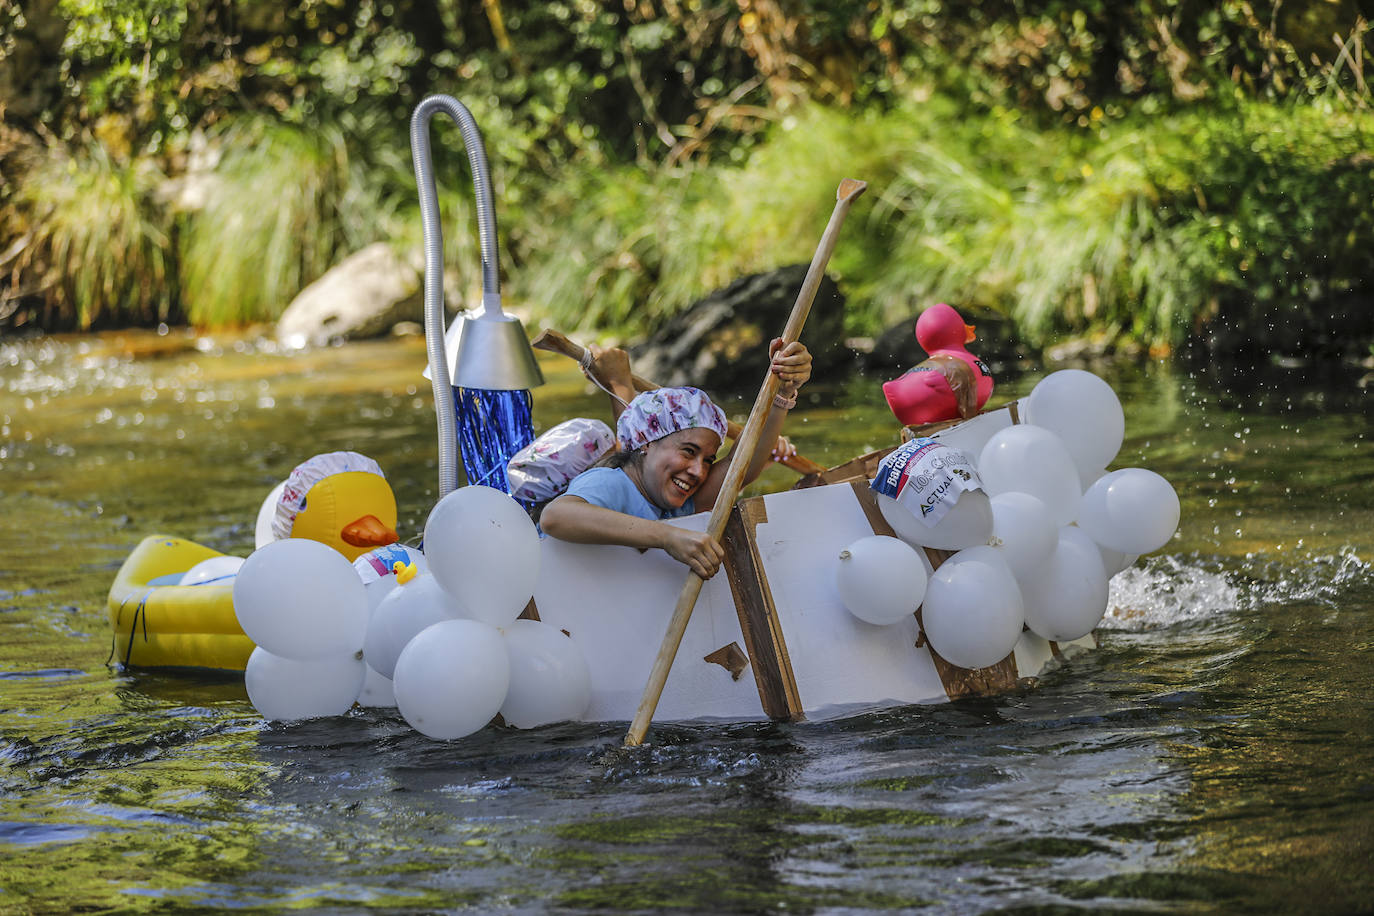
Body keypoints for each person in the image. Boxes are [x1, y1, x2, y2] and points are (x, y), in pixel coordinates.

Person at [539, 338, 812, 580]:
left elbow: (741, 466)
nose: (698, 471)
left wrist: (782, 391)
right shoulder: (611, 482)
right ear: (645, 442)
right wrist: (668, 537)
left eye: (708, 459)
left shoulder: (678, 504)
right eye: (689, 451)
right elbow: (555, 516)